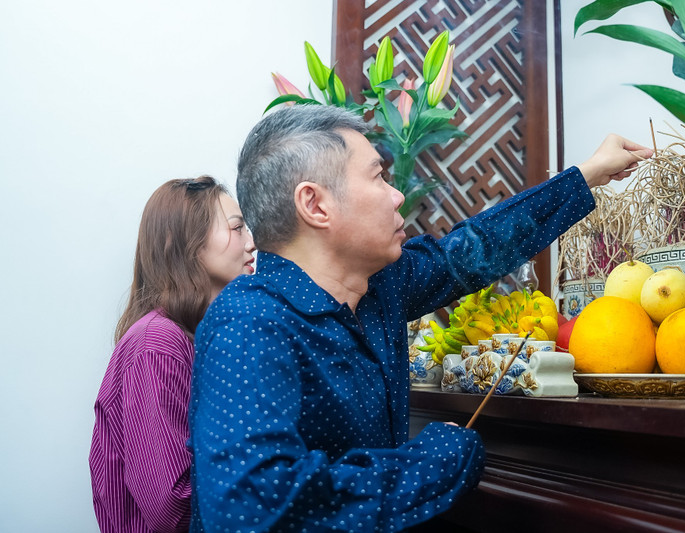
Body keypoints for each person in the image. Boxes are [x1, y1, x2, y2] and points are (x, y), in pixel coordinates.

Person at [187, 105, 653, 532]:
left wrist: (587, 175)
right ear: (315, 205)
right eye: (377, 177)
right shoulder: (250, 322)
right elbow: (252, 506)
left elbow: (473, 249)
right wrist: (436, 459)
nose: (396, 196)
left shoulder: (379, 287)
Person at [89, 176, 256, 533]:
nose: (251, 243)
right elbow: (172, 508)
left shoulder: (196, 337)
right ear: (189, 243)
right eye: (237, 228)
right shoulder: (157, 342)